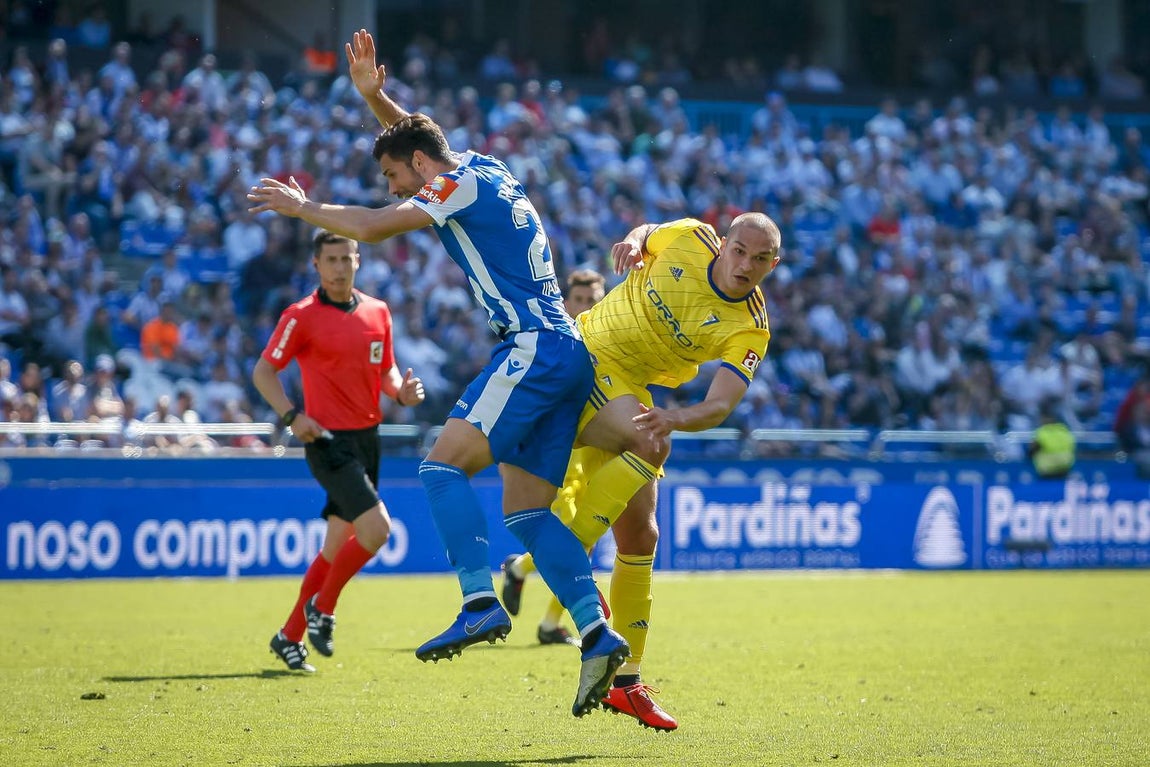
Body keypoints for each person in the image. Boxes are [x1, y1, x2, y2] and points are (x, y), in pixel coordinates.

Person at [247, 30, 626, 717]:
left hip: (533, 349)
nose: (394, 188)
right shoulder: (484, 166)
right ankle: (597, 632)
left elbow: (373, 226)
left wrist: (303, 208)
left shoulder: (450, 182)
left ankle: (479, 600)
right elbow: (421, 140)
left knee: (440, 468)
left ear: (420, 166)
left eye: (394, 176)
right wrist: (375, 98)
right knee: (527, 512)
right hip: (566, 352)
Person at [503, 213, 782, 730]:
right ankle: (564, 553)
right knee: (647, 443)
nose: (745, 265)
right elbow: (647, 233)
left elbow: (720, 404)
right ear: (723, 243)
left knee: (640, 535)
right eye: (740, 251)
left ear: (773, 264)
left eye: (760, 259)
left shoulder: (751, 325)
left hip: (629, 388)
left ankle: (626, 683)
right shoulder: (691, 236)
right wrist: (633, 243)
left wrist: (676, 416)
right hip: (585, 354)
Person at [254, 230, 425, 673]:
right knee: (377, 530)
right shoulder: (300, 316)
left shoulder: (377, 311)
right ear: (316, 264)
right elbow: (263, 372)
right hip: (326, 442)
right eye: (330, 260)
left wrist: (401, 392)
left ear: (358, 261)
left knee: (335, 548)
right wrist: (292, 416)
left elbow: (385, 369)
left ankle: (289, 635)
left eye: (346, 259)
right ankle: (323, 607)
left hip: (369, 440)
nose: (339, 268)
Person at [502, 269, 607, 648]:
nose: (586, 307)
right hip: (561, 445)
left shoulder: (609, 337)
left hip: (596, 443)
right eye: (579, 300)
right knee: (567, 526)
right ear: (566, 302)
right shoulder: (553, 337)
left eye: (593, 300)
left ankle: (546, 617)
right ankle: (544, 599)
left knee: (587, 535)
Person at [1029, 399, 1076, 479]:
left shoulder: (1041, 432)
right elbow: (1072, 447)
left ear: (1044, 418)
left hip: (1047, 470)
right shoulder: (1064, 430)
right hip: (1065, 468)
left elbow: (1032, 450)